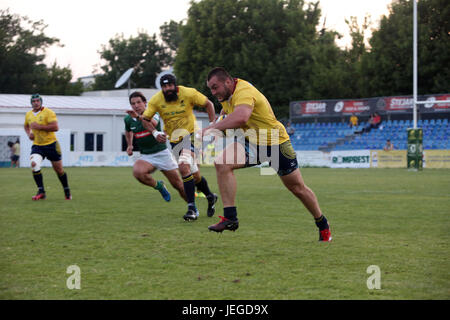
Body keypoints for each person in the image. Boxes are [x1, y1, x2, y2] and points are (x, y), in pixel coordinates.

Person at [202, 67, 331, 242]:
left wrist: (211, 128)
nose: (213, 92)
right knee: (222, 163)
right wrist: (216, 127)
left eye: (215, 87)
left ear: (227, 82)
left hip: (276, 144)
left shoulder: (244, 91)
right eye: (211, 88)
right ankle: (230, 218)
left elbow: (241, 117)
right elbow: (226, 115)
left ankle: (322, 223)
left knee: (297, 189)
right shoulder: (225, 96)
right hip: (252, 142)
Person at [141, 74, 218, 221]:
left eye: (170, 85)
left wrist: (212, 125)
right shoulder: (157, 100)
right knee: (194, 176)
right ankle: (210, 196)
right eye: (164, 87)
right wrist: (155, 132)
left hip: (192, 136)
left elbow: (209, 104)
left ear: (175, 86)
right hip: (175, 141)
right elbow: (145, 119)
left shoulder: (188, 93)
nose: (167, 89)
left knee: (183, 167)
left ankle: (191, 209)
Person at [125, 91, 186, 202]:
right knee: (138, 172)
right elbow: (128, 130)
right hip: (146, 156)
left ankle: (192, 207)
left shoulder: (152, 113)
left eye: (139, 102)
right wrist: (129, 145)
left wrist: (138, 117)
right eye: (133, 103)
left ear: (145, 103)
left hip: (162, 154)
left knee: (179, 186)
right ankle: (159, 186)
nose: (136, 105)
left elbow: (151, 123)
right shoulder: (128, 119)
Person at [24, 94, 71, 200]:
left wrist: (39, 127)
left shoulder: (48, 112)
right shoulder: (28, 115)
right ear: (31, 103)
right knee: (34, 164)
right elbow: (26, 125)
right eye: (33, 101)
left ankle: (66, 189)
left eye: (37, 101)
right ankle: (41, 191)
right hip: (37, 145)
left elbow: (55, 127)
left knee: (59, 170)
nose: (35, 103)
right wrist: (29, 134)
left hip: (51, 145)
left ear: (41, 102)